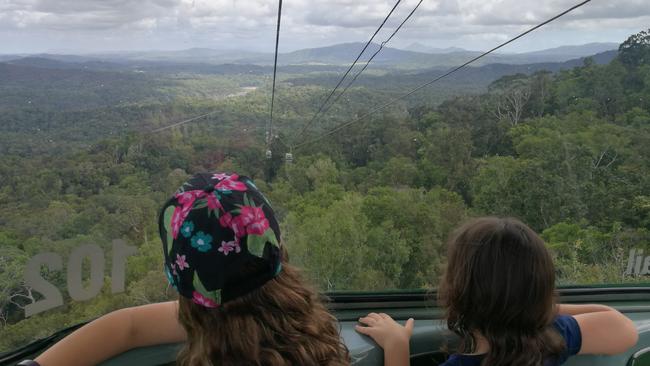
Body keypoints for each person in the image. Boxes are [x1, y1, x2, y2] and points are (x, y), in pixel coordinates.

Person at [27, 172, 349, 366]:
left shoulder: (216, 327)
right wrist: (393, 348)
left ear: (182, 281)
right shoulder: (310, 331)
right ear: (276, 245)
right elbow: (131, 327)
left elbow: (130, 327)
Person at [355, 216, 638, 366]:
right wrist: (537, 309)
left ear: (458, 292)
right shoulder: (550, 340)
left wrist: (396, 346)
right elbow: (621, 326)